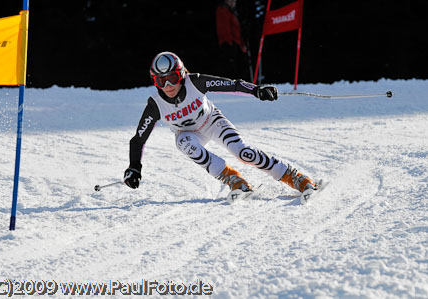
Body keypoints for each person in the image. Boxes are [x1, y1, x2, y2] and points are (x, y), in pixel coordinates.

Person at [124, 51, 316, 197]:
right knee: (183, 143)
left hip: (212, 122)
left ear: (181, 74)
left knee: (244, 153)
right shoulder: (155, 105)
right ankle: (232, 178)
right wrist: (134, 167)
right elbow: (138, 140)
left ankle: (295, 177)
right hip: (189, 134)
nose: (168, 86)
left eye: (172, 78)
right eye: (161, 81)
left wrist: (257, 90)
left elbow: (232, 84)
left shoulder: (196, 82)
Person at [216, 0, 250, 80]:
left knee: (241, 66)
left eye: (234, 1)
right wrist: (229, 43)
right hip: (229, 43)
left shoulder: (232, 12)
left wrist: (241, 45)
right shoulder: (222, 10)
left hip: (236, 43)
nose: (233, 3)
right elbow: (224, 28)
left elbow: (237, 30)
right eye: (230, 1)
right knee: (232, 67)